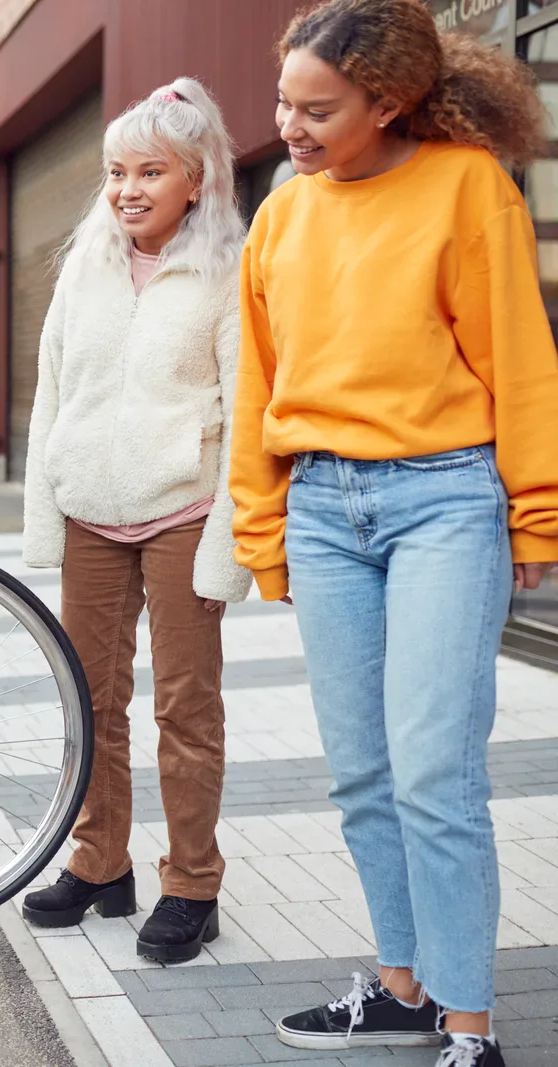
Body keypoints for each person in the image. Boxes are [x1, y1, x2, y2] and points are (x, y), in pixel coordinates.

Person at [232, 3, 558, 1063]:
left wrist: (536, 512)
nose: (289, 126)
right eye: (283, 102)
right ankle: (405, 985)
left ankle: (471, 1025)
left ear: (387, 102)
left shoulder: (468, 187)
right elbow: (256, 385)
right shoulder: (281, 213)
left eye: (317, 109)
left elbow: (520, 358)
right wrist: (262, 529)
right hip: (322, 510)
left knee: (433, 774)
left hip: (444, 501)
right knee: (363, 774)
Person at [18, 78, 252, 963]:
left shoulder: (226, 275)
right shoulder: (85, 269)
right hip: (91, 510)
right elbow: (51, 394)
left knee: (186, 708)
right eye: (117, 171)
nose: (128, 189)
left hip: (183, 510)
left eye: (151, 171)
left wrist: (226, 549)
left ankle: (192, 885)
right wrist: (45, 516)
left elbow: (246, 412)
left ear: (197, 179)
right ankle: (100, 865)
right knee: (89, 701)